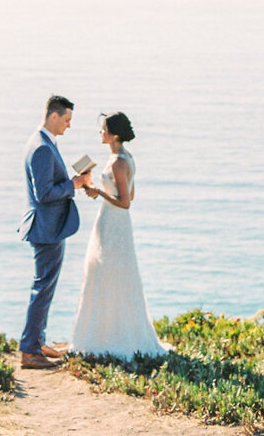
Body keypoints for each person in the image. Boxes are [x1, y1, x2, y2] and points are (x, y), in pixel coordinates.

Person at [70, 111, 167, 360]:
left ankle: (108, 336)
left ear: (113, 135)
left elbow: (125, 202)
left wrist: (98, 193)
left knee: (107, 274)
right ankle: (106, 332)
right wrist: (100, 191)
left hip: (114, 222)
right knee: (110, 274)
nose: (100, 132)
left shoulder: (117, 162)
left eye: (103, 129)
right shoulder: (123, 157)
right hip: (114, 222)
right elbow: (129, 196)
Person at [18, 95, 92, 369]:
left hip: (49, 226)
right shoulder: (42, 148)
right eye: (67, 120)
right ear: (53, 116)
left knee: (45, 286)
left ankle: (37, 342)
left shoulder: (44, 143)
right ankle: (29, 351)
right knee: (42, 287)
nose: (69, 126)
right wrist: (73, 184)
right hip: (46, 228)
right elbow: (44, 193)